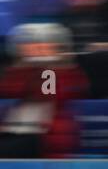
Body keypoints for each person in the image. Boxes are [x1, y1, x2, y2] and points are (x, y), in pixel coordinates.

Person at [0, 23, 89, 158]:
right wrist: (24, 65)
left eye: (44, 47)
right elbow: (9, 89)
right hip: (15, 131)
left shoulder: (65, 72)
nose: (37, 51)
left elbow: (50, 93)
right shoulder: (22, 72)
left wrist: (49, 67)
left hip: (45, 136)